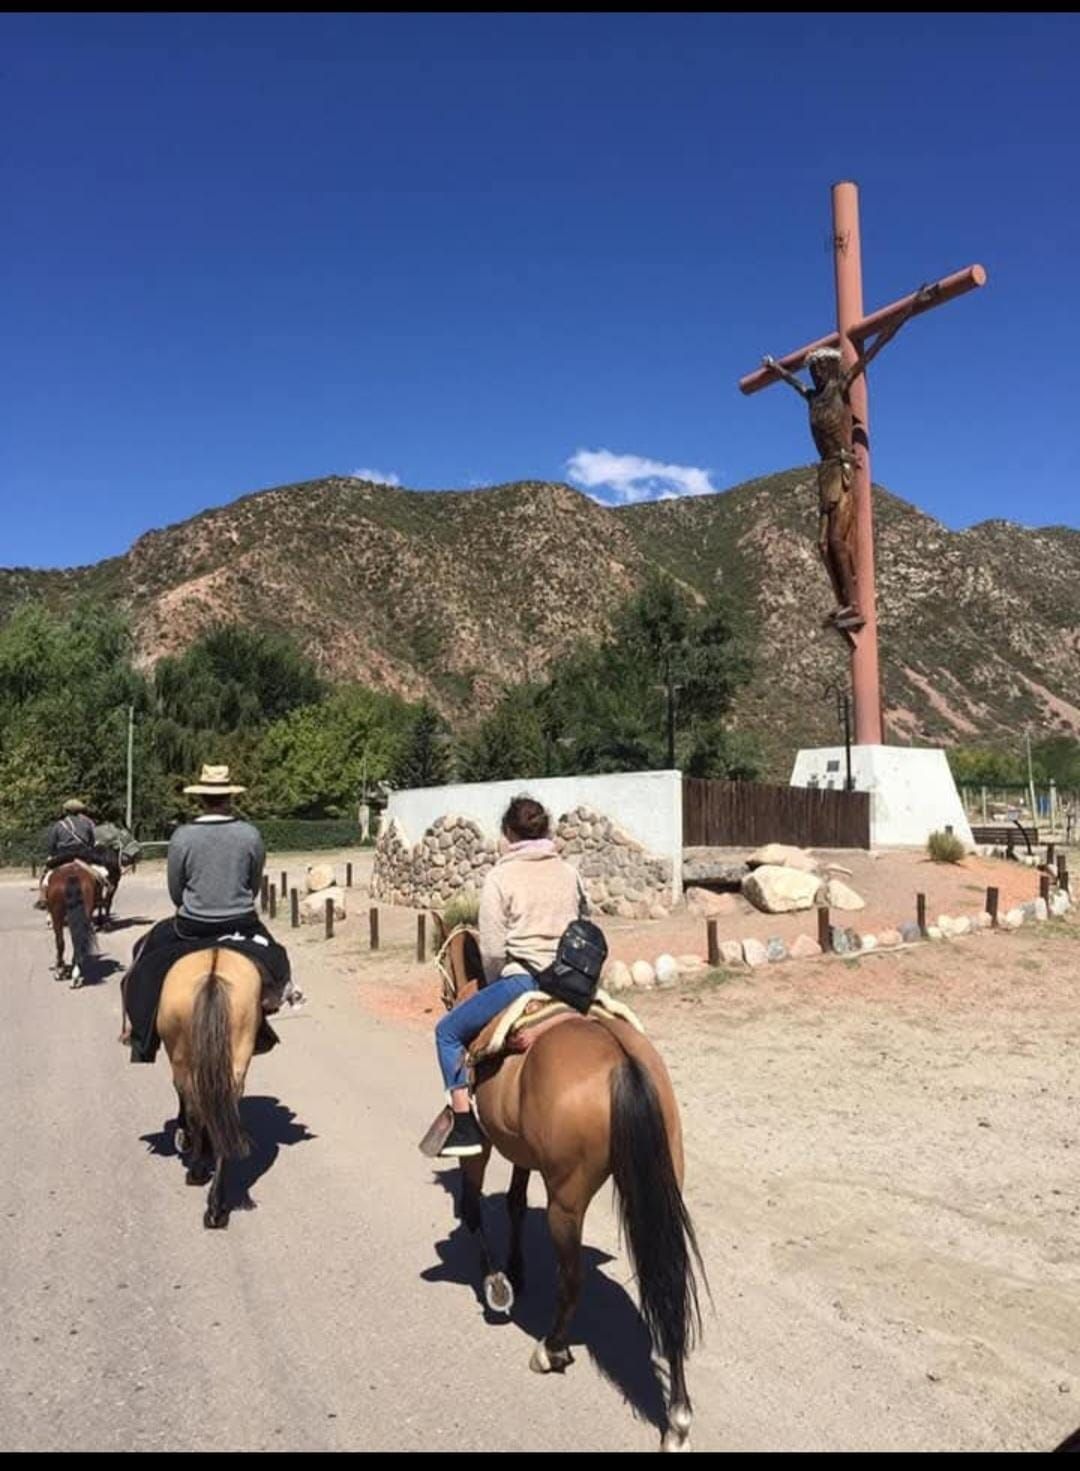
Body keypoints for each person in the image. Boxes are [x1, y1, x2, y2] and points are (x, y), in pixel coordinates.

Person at [434, 795, 585, 1158]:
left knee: (447, 1033)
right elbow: (586, 924)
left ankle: (464, 1123)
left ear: (507, 833)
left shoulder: (501, 876)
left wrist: (494, 980)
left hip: (524, 981)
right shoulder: (569, 872)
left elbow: (491, 949)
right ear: (546, 830)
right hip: (574, 983)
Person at [121, 764, 301, 1063]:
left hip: (191, 926)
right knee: (278, 959)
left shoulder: (182, 837)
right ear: (230, 797)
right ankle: (265, 1012)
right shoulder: (250, 834)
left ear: (200, 798)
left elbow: (175, 890)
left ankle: (142, 1034)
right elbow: (254, 883)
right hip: (241, 924)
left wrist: (194, 905)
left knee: (141, 957)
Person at [37, 799, 120, 906]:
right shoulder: (87, 824)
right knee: (102, 872)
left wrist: (52, 855)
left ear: (66, 811)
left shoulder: (59, 825)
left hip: (63, 855)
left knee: (47, 874)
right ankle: (102, 894)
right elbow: (92, 842)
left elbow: (52, 844)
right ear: (80, 811)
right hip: (83, 854)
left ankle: (43, 897)